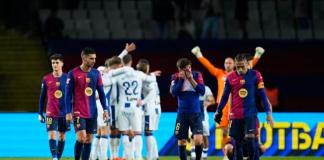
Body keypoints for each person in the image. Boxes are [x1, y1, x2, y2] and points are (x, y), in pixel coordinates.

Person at [191, 46, 264, 159]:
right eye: (226, 63)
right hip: (223, 107)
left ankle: (241, 154)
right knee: (225, 133)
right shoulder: (220, 74)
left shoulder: (239, 74)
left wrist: (257, 56)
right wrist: (198, 55)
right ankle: (226, 155)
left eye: (230, 63)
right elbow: (209, 66)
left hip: (236, 105)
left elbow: (249, 66)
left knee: (239, 134)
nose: (227, 65)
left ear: (234, 64)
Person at [214, 54, 274, 160]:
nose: (240, 69)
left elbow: (263, 96)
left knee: (250, 138)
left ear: (247, 64)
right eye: (238, 67)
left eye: (242, 66)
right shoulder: (230, 77)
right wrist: (218, 111)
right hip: (235, 116)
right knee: (237, 143)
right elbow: (224, 96)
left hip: (250, 114)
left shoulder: (256, 75)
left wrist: (268, 113)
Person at [65, 47, 109, 160]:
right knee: (81, 138)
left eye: (95, 58)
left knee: (89, 139)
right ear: (83, 58)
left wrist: (105, 109)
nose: (94, 60)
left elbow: (102, 93)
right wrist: (68, 112)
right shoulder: (73, 73)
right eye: (91, 58)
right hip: (78, 111)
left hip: (92, 112)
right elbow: (67, 95)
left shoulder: (96, 73)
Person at [170, 58, 205, 160]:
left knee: (198, 140)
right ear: (180, 70)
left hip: (196, 113)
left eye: (189, 68)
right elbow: (174, 93)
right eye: (185, 69)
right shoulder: (175, 77)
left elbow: (202, 91)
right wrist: (181, 80)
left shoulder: (197, 75)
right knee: (181, 141)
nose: (188, 70)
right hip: (182, 114)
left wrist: (190, 79)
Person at [38, 54, 69, 160]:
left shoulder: (68, 78)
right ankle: (54, 158)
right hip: (51, 111)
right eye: (53, 63)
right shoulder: (46, 78)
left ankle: (58, 158)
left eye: (57, 62)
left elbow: (73, 96)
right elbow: (42, 97)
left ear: (62, 64)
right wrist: (40, 113)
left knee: (61, 136)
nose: (55, 65)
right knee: (51, 135)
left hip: (64, 112)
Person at [136, 59, 161, 160]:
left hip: (150, 108)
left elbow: (152, 93)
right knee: (150, 133)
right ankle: (155, 156)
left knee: (148, 133)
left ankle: (150, 157)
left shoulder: (147, 80)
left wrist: (142, 102)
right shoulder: (150, 77)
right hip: (155, 107)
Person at [189, 85, 215, 160]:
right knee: (193, 135)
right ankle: (193, 154)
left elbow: (212, 100)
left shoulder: (206, 88)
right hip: (192, 114)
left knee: (205, 136)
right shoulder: (189, 88)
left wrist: (207, 103)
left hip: (203, 115)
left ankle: (204, 154)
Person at [90, 66, 110, 160]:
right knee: (104, 130)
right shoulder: (106, 78)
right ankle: (103, 157)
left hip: (94, 105)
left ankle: (93, 156)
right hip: (102, 105)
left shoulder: (93, 78)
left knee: (98, 132)